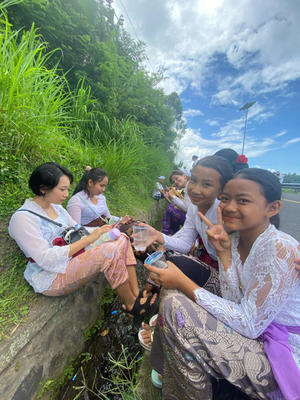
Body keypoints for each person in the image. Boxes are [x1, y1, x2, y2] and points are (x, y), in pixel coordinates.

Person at [145, 168, 300, 399]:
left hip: (283, 351)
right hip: (256, 331)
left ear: (273, 208)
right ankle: (170, 365)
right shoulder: (236, 237)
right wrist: (225, 254)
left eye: (243, 200)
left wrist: (183, 282)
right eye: (226, 199)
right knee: (173, 293)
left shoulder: (278, 247)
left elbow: (249, 324)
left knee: (175, 304)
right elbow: (233, 299)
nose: (229, 207)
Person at [8, 162, 157, 319]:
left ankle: (136, 294)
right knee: (109, 251)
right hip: (51, 275)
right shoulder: (22, 219)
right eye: (62, 189)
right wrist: (90, 239)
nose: (67, 194)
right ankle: (132, 305)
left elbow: (80, 230)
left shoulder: (57, 208)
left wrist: (106, 229)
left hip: (73, 257)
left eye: (67, 188)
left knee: (123, 238)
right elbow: (46, 259)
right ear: (43, 188)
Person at [162, 169, 190, 235]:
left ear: (184, 176)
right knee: (172, 207)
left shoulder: (190, 187)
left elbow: (187, 209)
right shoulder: (187, 187)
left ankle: (166, 235)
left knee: (170, 210)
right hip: (192, 217)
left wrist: (173, 196)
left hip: (195, 220)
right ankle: (170, 234)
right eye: (173, 181)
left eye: (177, 178)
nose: (175, 182)